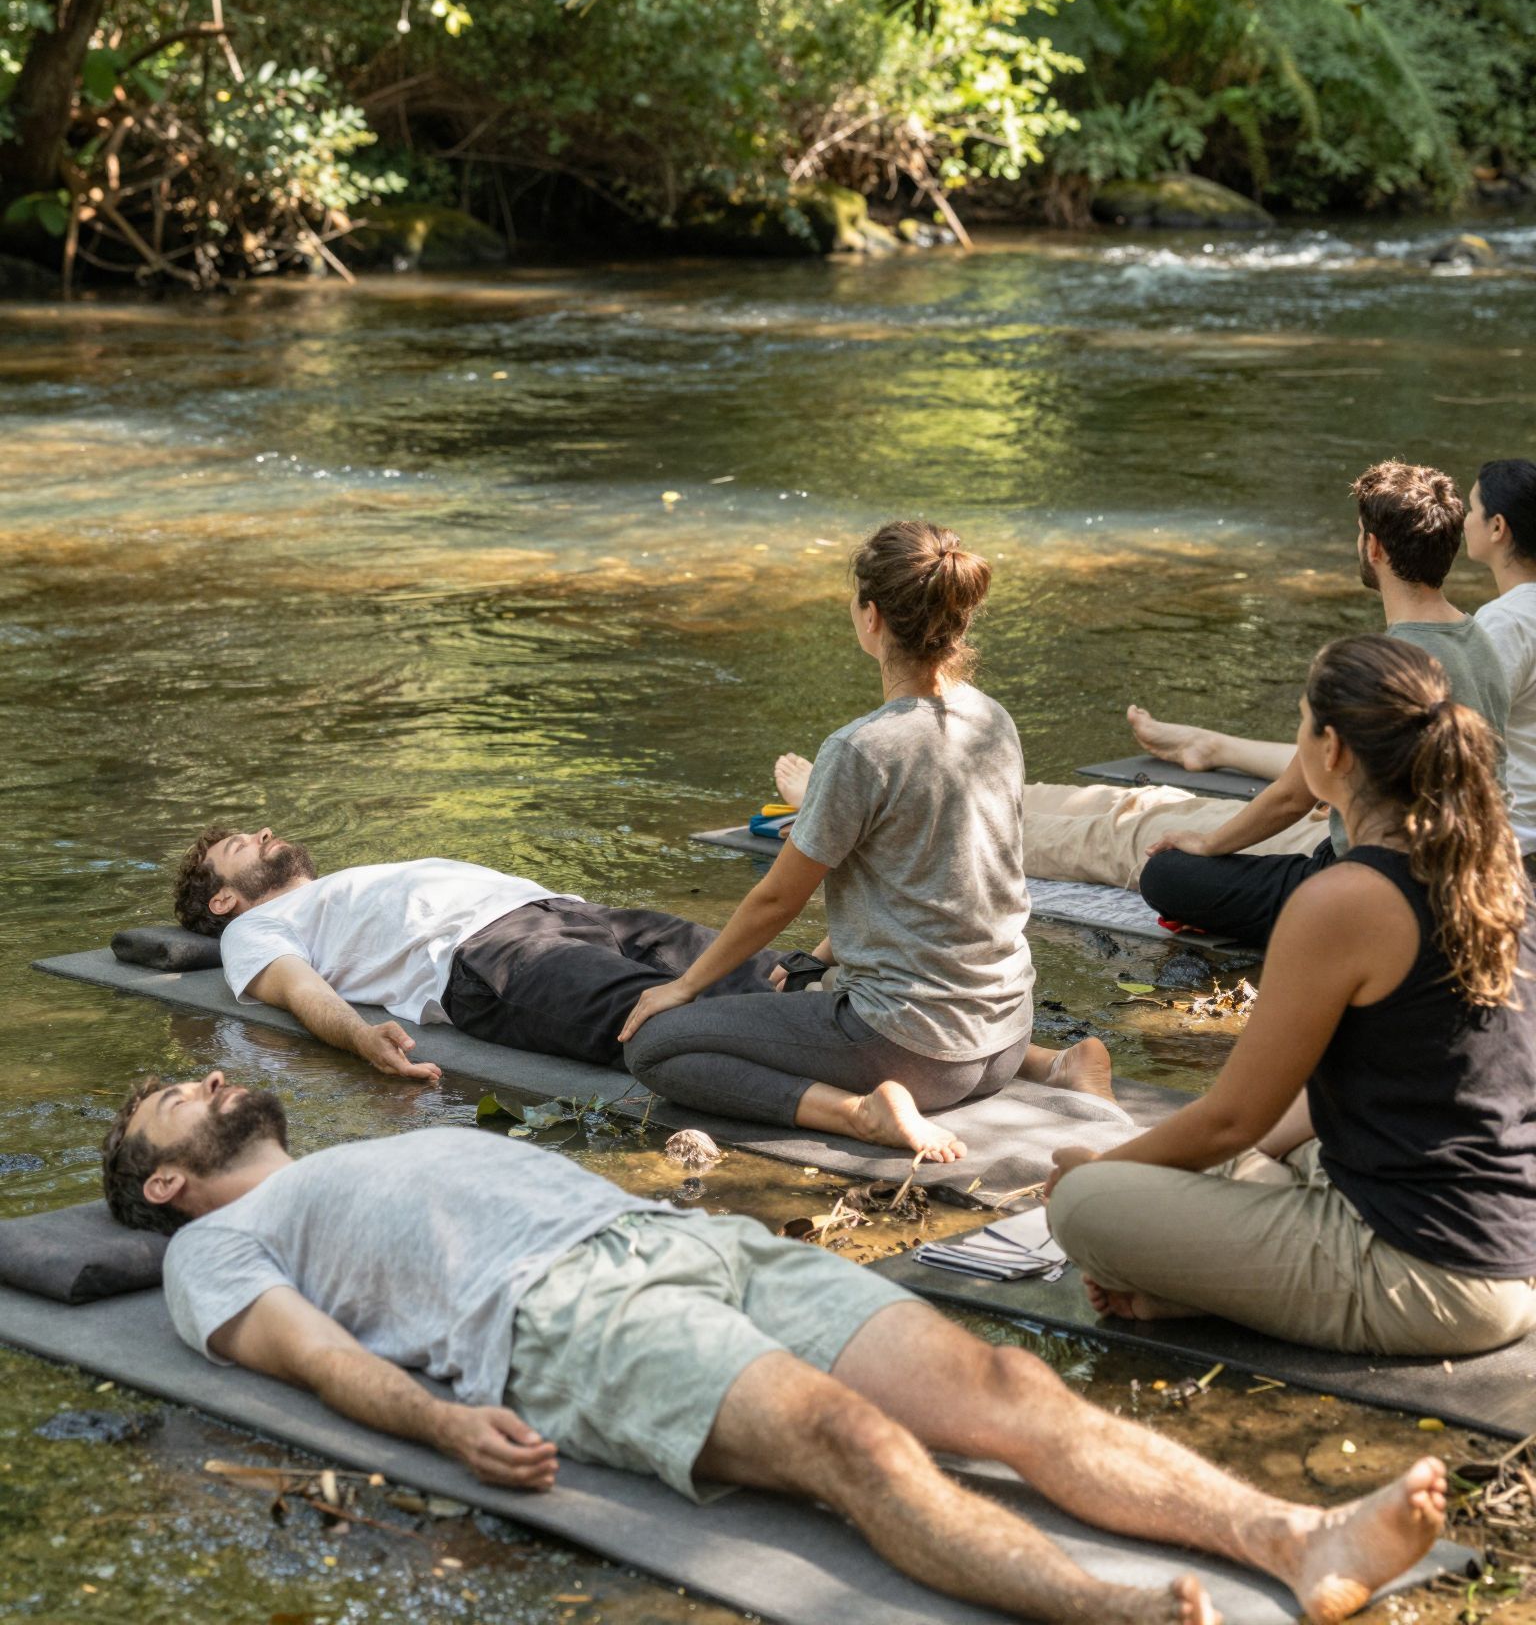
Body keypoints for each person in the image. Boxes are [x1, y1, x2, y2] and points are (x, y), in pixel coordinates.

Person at [100, 1068, 1450, 1625]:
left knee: (1003, 1384)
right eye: (177, 1099)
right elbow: (320, 1367)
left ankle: (1294, 1541)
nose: (210, 1083)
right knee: (846, 1445)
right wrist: (444, 1425)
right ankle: (1111, 1613)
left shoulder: (362, 1147)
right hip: (563, 1318)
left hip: (685, 1245)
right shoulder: (210, 1252)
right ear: (160, 1184)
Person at [1044, 634, 1536, 1356]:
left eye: (1303, 721)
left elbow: (1230, 1120)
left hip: (1431, 1279)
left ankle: (1179, 1279)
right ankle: (1175, 1297)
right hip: (1511, 1254)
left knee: (1083, 1206)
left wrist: (1102, 1171)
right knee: (1246, 1163)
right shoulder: (1494, 870)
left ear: (1332, 750)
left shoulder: (1341, 900)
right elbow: (1294, 1114)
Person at [619, 521, 1108, 1166]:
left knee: (656, 1046)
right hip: (1004, 1034)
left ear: (871, 616)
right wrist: (818, 959)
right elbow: (947, 874)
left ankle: (861, 1115)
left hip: (914, 1053)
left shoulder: (860, 749)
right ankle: (1053, 1065)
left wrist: (679, 988)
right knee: (795, 983)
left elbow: (775, 901)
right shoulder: (993, 720)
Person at [1105, 461, 1509, 950]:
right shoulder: (1479, 639)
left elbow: (1293, 796)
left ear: (1375, 548)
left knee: (1167, 874)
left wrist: (1207, 843)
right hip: (1469, 870)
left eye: (1361, 533)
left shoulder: (1384, 666)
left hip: (1372, 883)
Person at [172, 828, 795, 1082]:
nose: (260, 834)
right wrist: (359, 1039)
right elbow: (299, 989)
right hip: (490, 959)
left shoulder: (341, 886)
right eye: (238, 844)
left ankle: (858, 1033)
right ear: (224, 899)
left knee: (772, 971)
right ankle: (836, 1084)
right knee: (657, 1020)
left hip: (567, 911)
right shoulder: (252, 932)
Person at [1466, 457, 1536, 879]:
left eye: (1472, 509)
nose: (1463, 520)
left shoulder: (1505, 621)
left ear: (1497, 527)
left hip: (1517, 844)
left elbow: (1466, 741)